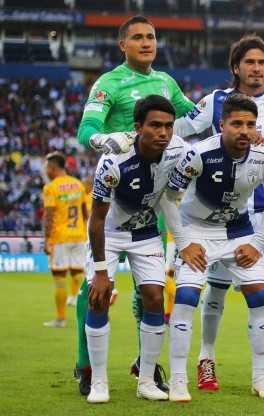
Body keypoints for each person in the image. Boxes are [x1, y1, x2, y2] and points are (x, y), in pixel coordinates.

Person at [174, 34, 264, 391]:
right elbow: (177, 131)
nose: (257, 68)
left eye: (262, 62)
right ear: (235, 67)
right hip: (215, 215)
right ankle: (206, 358)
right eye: (250, 62)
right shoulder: (214, 101)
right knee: (216, 291)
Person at [75, 15, 195, 396]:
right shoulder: (108, 83)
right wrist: (111, 140)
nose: (147, 43)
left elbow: (193, 118)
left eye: (152, 37)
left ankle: (145, 367)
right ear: (122, 45)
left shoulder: (167, 83)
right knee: (91, 290)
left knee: (151, 293)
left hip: (151, 204)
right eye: (138, 37)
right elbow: (86, 132)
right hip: (112, 196)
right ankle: (86, 367)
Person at [162, 94, 264, 401]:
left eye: (250, 124)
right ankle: (178, 380)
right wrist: (183, 244)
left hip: (239, 231)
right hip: (196, 231)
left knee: (260, 296)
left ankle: (260, 378)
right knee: (187, 298)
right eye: (237, 124)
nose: (245, 131)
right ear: (222, 124)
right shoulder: (197, 154)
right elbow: (167, 199)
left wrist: (256, 244)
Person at [84, 95, 186, 403]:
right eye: (155, 125)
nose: (163, 133)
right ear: (138, 128)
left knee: (156, 296)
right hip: (110, 234)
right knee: (99, 297)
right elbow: (96, 220)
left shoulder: (179, 151)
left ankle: (146, 380)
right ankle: (98, 382)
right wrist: (102, 272)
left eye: (168, 126)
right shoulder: (112, 162)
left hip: (145, 233)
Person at [42, 152, 88, 327]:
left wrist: (47, 240)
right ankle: (98, 308)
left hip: (60, 237)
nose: (46, 171)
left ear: (52, 168)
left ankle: (60, 319)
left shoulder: (51, 187)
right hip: (79, 235)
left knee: (59, 277)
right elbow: (85, 213)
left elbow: (49, 216)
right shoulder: (78, 185)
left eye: (47, 167)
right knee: (78, 274)